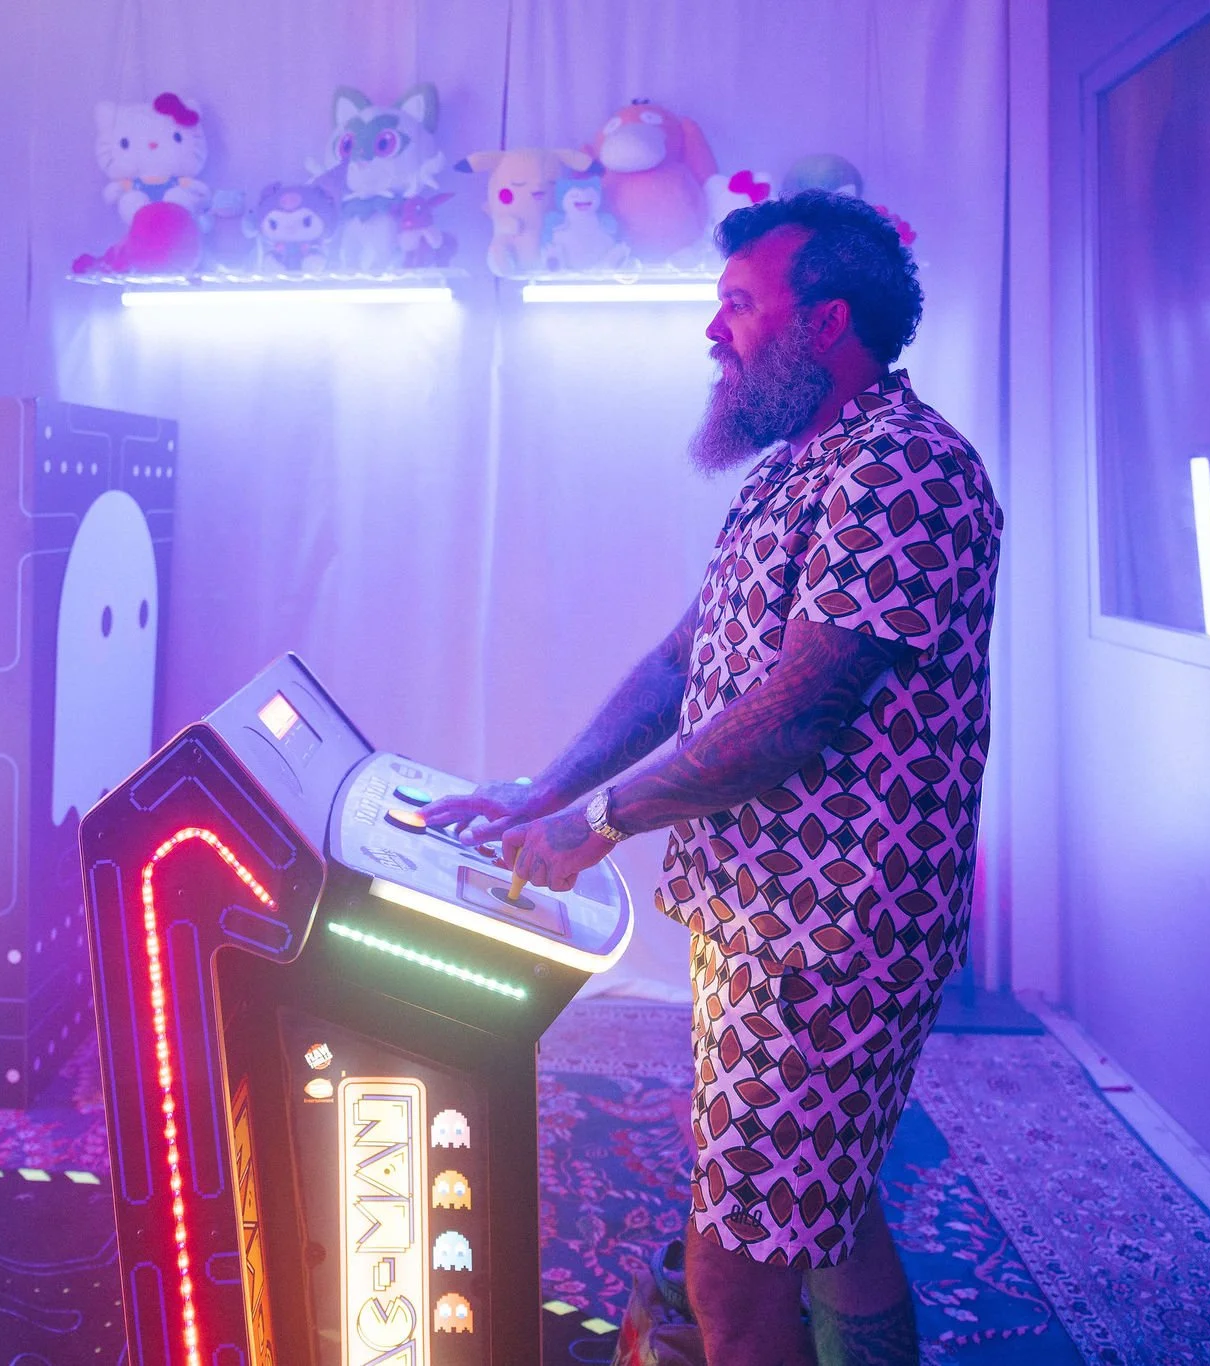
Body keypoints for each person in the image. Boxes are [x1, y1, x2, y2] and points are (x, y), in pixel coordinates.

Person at [426, 190, 1001, 1366]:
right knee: (825, 1212)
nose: (712, 330)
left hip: (830, 935)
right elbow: (679, 662)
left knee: (731, 1275)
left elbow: (798, 711)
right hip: (769, 922)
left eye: (737, 304)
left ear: (824, 322)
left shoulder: (901, 469)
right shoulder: (797, 472)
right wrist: (541, 790)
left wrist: (596, 821)